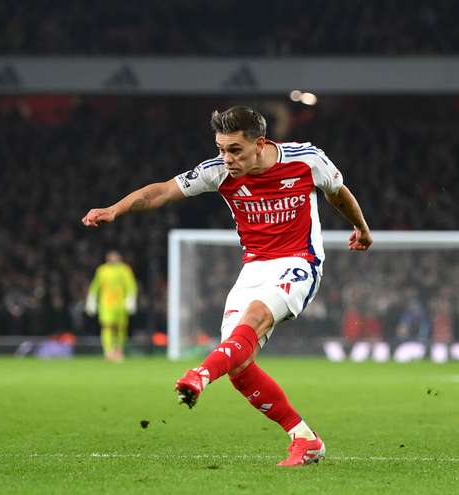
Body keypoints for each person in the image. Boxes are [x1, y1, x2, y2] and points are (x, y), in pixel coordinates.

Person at [82, 106, 372, 466]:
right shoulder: (218, 172)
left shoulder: (306, 160)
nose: (226, 158)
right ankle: (304, 437)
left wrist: (361, 227)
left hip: (299, 262)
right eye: (221, 148)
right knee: (239, 366)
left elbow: (337, 192)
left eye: (235, 149)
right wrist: (115, 209)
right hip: (253, 269)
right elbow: (161, 192)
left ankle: (200, 375)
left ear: (260, 143)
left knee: (254, 317)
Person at [85, 250, 138, 362]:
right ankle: (108, 351)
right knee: (107, 326)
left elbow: (131, 284)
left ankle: (119, 350)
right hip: (106, 304)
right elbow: (95, 286)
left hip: (120, 304)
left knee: (120, 327)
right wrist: (91, 299)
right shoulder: (102, 270)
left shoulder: (124, 269)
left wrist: (131, 299)